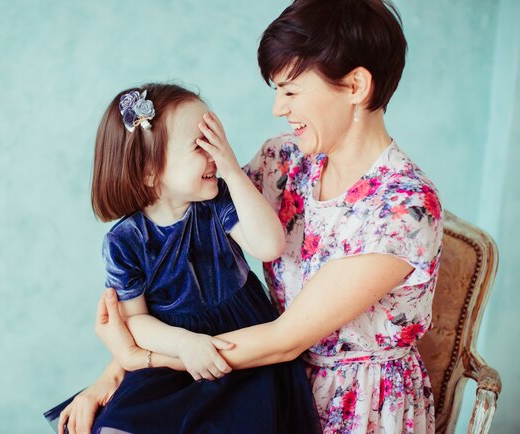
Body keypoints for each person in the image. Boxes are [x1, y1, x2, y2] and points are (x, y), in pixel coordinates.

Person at [87, 0, 444, 433]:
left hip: (353, 402)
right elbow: (183, 253)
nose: (278, 107)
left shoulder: (403, 208)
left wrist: (142, 359)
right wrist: (115, 374)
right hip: (251, 374)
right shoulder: (285, 159)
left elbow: (285, 339)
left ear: (355, 86)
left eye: (291, 91)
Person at [44, 83, 321, 434]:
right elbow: (136, 322)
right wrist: (183, 343)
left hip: (244, 343)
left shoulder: (217, 202)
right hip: (174, 350)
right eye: (199, 146)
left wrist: (233, 171)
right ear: (149, 172)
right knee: (118, 427)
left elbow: (269, 247)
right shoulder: (125, 241)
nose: (214, 156)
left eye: (215, 143)